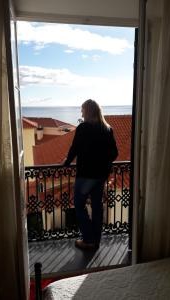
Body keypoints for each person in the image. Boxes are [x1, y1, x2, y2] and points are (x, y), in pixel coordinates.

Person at [64, 99, 118, 250]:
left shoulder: (83, 128)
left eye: (82, 110)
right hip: (100, 176)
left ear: (88, 111)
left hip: (86, 175)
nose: (81, 113)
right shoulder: (107, 129)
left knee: (79, 206)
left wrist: (67, 162)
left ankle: (88, 239)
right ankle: (96, 240)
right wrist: (102, 164)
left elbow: (74, 149)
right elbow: (114, 153)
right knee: (97, 207)